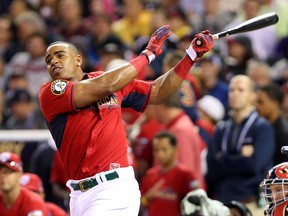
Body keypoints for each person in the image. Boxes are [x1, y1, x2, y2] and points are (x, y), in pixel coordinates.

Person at [38, 25, 214, 215]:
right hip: (78, 195)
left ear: (78, 59)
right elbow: (106, 85)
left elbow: (157, 92)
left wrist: (190, 56)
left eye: (59, 55)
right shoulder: (50, 92)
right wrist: (147, 55)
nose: (53, 61)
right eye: (48, 60)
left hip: (113, 188)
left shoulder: (110, 81)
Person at [206, 75, 275, 215]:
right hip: (223, 205)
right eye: (232, 90)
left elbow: (254, 165)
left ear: (253, 96)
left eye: (241, 90)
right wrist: (241, 158)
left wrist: (223, 158)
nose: (235, 94)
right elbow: (211, 168)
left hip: (251, 204)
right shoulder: (221, 128)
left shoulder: (263, 128)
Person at [140, 131, 200, 216]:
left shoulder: (185, 174)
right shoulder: (150, 174)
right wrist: (148, 196)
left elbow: (197, 203)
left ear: (175, 149)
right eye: (156, 150)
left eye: (164, 149)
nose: (160, 154)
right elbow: (140, 204)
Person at [0, 151, 49, 216]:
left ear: (19, 175)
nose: (2, 176)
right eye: (0, 172)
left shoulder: (33, 202)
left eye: (8, 172)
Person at [255, 83, 288, 165]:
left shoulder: (283, 132)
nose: (256, 106)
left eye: (261, 102)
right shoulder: (260, 127)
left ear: (275, 104)